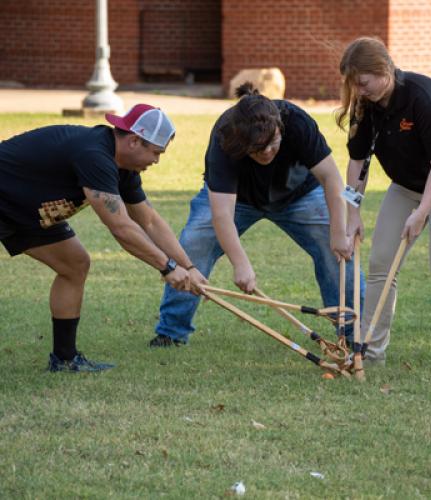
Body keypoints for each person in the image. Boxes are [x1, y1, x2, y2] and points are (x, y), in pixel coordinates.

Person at [151, 82, 365, 348]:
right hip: (238, 199)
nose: (266, 153)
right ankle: (171, 332)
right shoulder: (225, 137)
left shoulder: (296, 121)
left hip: (300, 194)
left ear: (280, 129)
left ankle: (353, 336)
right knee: (195, 241)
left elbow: (331, 177)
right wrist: (240, 263)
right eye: (256, 149)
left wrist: (337, 233)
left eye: (272, 144)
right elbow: (221, 214)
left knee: (337, 250)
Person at [0, 104, 207, 372]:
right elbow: (121, 227)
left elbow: (150, 221)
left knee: (75, 264)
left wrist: (188, 267)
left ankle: (64, 360)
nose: (156, 161)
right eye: (156, 152)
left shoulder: (126, 169)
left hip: (28, 211)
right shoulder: (94, 154)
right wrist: (167, 267)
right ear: (134, 141)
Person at [336, 37, 431, 375]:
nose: (359, 91)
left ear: (384, 70)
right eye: (354, 85)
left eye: (363, 83)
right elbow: (357, 162)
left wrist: (422, 213)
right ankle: (369, 353)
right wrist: (353, 214)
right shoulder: (365, 104)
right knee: (380, 266)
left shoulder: (422, 95)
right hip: (406, 187)